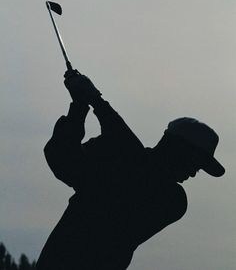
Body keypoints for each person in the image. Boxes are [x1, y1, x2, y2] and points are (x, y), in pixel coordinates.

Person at [36, 71, 225, 270]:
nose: (194, 173)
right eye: (194, 163)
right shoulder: (119, 154)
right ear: (176, 150)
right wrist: (81, 105)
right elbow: (63, 160)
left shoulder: (173, 201)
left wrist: (96, 101)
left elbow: (138, 170)